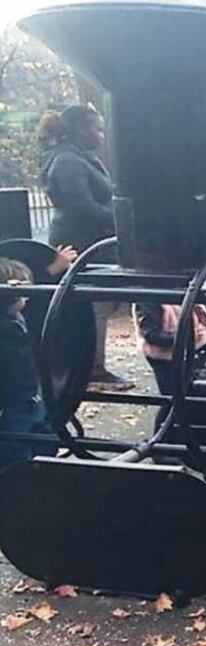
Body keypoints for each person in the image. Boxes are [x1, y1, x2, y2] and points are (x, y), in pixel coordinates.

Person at [38, 104, 133, 391]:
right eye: (97, 128)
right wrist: (122, 221)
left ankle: (91, 365)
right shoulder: (68, 161)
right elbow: (80, 206)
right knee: (95, 306)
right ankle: (92, 369)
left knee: (98, 304)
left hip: (91, 241)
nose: (101, 135)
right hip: (80, 243)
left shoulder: (78, 157)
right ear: (80, 129)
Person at [0, 255, 74, 468]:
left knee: (44, 436)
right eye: (21, 291)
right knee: (15, 444)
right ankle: (16, 477)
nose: (27, 297)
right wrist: (7, 293)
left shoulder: (21, 317)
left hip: (32, 394)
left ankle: (42, 468)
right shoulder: (4, 322)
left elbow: (44, 299)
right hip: (12, 400)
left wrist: (51, 271)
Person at [133, 302, 206, 395]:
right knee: (171, 395)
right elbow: (151, 334)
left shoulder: (178, 291)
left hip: (188, 345)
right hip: (161, 355)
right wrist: (182, 337)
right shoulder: (149, 302)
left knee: (187, 389)